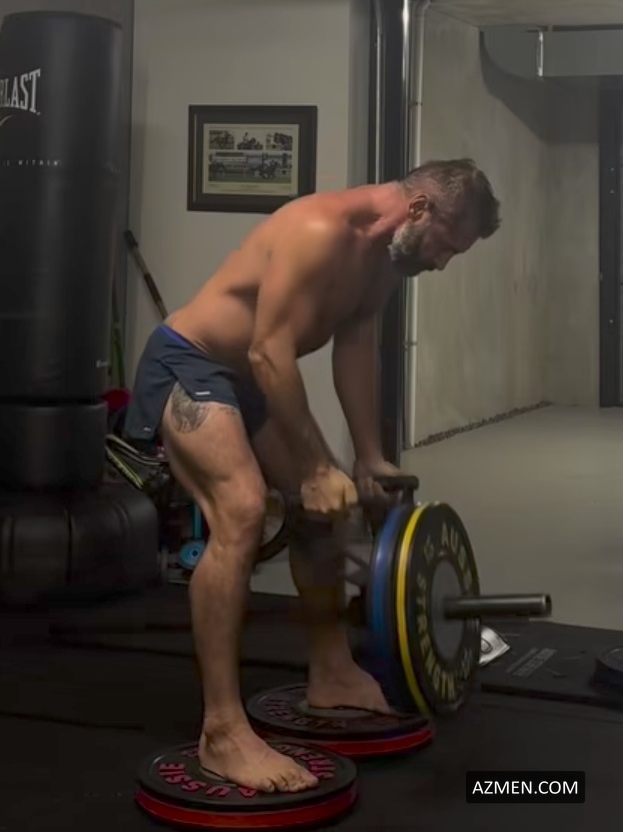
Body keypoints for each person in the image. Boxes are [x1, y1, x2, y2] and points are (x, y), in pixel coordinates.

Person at [124, 157, 500, 793]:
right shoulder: (319, 230)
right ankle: (222, 731)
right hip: (192, 362)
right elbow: (269, 350)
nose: (442, 264)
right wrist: (318, 465)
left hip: (251, 376)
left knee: (326, 512)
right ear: (419, 210)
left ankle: (332, 672)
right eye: (447, 247)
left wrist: (368, 455)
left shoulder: (387, 261)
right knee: (242, 510)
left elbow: (356, 342)